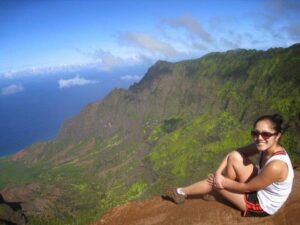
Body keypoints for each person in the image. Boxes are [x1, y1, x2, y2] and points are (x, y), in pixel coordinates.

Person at [164, 114, 294, 217]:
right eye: (255, 133)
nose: (259, 138)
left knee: (213, 182)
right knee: (234, 158)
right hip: (260, 186)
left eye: (266, 134)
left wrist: (221, 182)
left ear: (277, 136)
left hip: (261, 204)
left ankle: (179, 192)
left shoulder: (276, 165)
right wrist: (218, 173)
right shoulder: (264, 146)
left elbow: (247, 188)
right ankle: (223, 191)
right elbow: (235, 153)